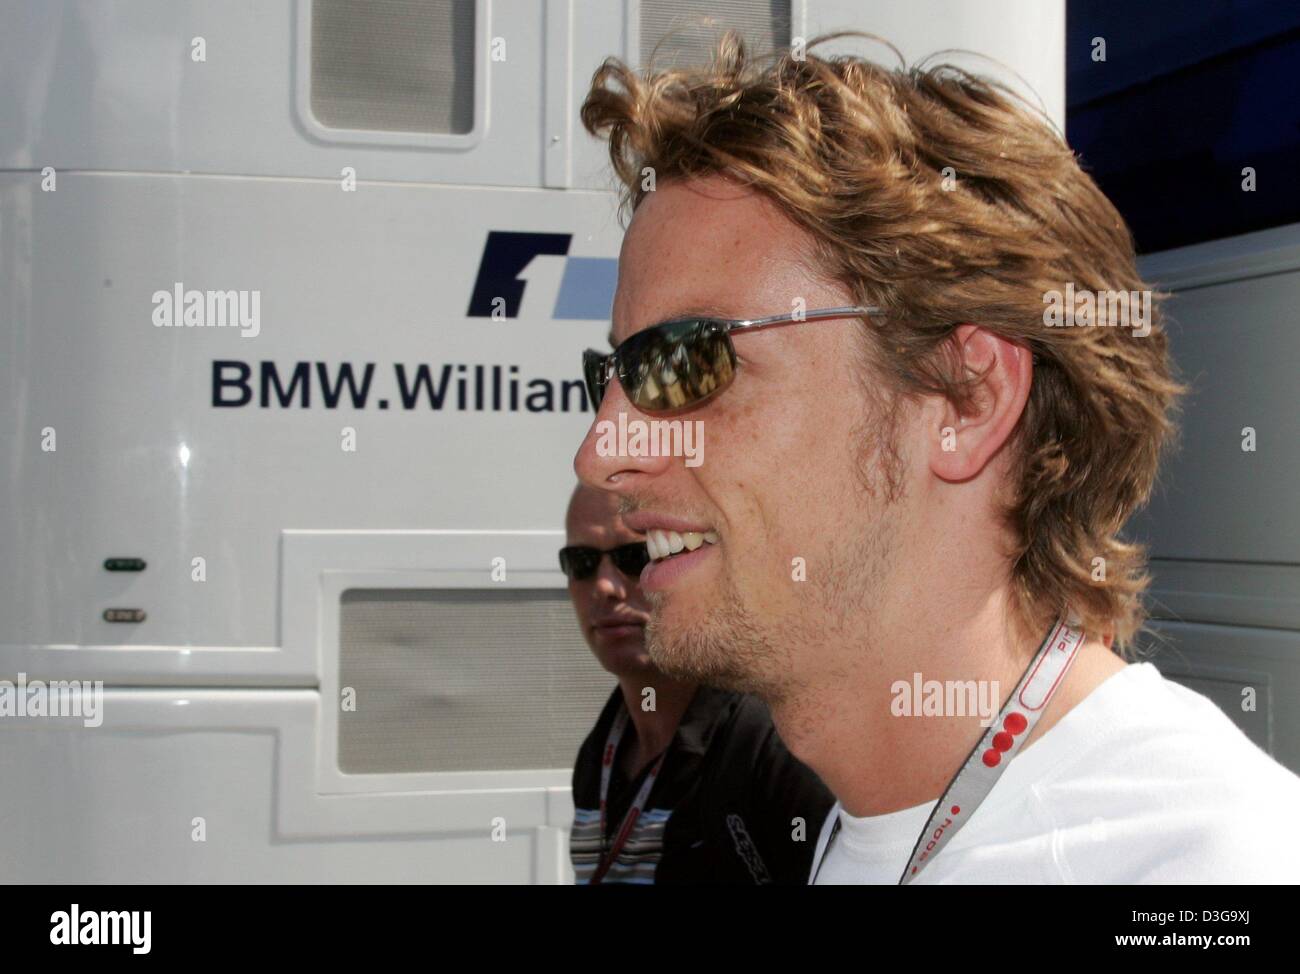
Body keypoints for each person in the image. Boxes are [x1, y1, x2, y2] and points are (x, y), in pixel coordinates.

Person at [573, 32, 1300, 883]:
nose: (599, 455)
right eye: (612, 374)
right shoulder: (862, 822)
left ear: (966, 397)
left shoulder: (1205, 868)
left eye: (685, 360)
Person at [561, 484, 833, 884]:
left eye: (635, 557)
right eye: (581, 561)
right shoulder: (601, 752)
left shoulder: (774, 743)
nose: (604, 587)